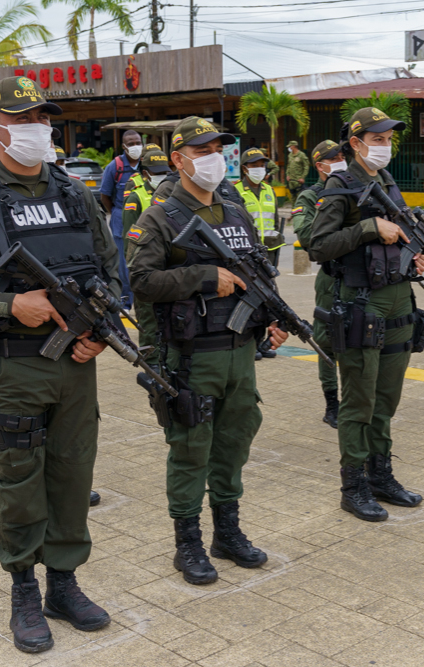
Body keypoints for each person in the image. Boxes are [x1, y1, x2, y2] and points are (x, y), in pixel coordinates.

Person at [0, 77, 117, 653]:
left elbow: (109, 271)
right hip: (15, 365)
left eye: (42, 116)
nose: (38, 126)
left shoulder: (76, 193)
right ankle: (24, 591)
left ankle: (64, 583)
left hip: (76, 365)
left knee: (73, 474)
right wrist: (9, 303)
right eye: (24, 116)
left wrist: (100, 333)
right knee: (19, 480)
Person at [127, 115, 288, 586]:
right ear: (178, 160)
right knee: (190, 448)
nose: (214, 158)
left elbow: (255, 276)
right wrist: (201, 277)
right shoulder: (159, 216)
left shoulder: (234, 210)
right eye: (202, 151)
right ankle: (188, 543)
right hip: (190, 356)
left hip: (239, 351)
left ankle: (227, 531)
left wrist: (271, 320)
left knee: (234, 442)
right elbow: (139, 280)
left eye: (218, 148)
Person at [309, 107, 424, 522]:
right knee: (359, 401)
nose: (386, 145)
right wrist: (367, 229)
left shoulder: (387, 181)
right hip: (362, 302)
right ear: (356, 143)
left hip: (398, 300)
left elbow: (400, 233)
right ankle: (353, 485)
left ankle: (381, 474)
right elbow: (318, 245)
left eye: (389, 138)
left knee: (387, 398)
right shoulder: (340, 185)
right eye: (377, 139)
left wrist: (412, 255)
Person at [291, 139, 345, 428]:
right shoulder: (310, 197)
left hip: (360, 278)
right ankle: (332, 403)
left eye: (342, 156)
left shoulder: (357, 187)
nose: (339, 161)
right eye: (333, 158)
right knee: (327, 340)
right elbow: (311, 240)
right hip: (331, 277)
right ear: (320, 166)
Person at [122, 146, 172, 350]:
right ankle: (151, 362)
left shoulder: (172, 193)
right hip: (147, 268)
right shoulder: (136, 198)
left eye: (165, 172)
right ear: (145, 174)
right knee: (149, 319)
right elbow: (130, 240)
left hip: (170, 268)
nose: (162, 176)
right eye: (157, 173)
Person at [100, 130, 144, 308]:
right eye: (131, 143)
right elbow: (104, 195)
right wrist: (118, 212)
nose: (136, 146)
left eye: (138, 142)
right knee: (124, 262)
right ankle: (126, 298)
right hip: (121, 216)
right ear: (124, 146)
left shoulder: (145, 164)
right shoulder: (114, 166)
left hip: (143, 216)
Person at [234, 147, 280, 251]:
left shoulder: (269, 190)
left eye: (262, 166)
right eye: (254, 166)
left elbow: (276, 221)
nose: (259, 169)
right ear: (245, 169)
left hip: (270, 248)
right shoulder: (236, 190)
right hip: (248, 248)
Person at [285, 140, 309, 204]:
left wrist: (302, 177)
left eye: (290, 147)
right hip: (291, 180)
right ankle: (293, 211)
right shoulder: (290, 155)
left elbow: (306, 167)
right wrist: (287, 175)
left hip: (298, 180)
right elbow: (288, 166)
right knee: (292, 197)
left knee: (299, 197)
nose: (289, 148)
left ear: (293, 146)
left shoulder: (301, 155)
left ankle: (299, 212)